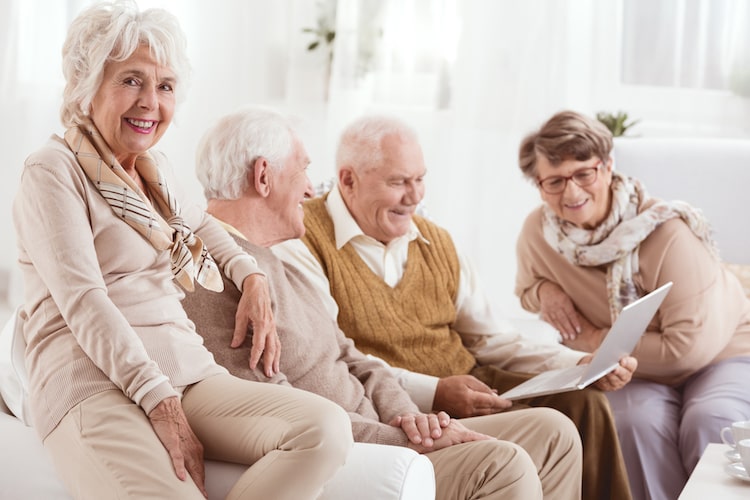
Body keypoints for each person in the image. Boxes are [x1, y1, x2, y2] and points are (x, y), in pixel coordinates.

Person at [11, 3, 352, 499]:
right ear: (87, 87)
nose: (150, 101)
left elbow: (202, 225)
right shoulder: (52, 171)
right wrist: (158, 404)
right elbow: (85, 302)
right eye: (131, 81)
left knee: (324, 429)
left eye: (165, 86)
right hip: (91, 380)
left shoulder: (156, 171)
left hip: (184, 369)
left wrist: (251, 276)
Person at [181, 106, 584, 500]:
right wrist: (400, 438)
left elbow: (354, 358)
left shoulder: (273, 262)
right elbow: (280, 416)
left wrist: (413, 419)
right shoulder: (216, 279)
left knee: (554, 432)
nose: (310, 188)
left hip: (389, 429)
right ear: (263, 176)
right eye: (303, 169)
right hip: (362, 453)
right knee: (501, 464)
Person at [272, 114, 636, 500]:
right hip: (400, 405)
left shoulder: (436, 241)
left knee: (586, 403)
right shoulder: (302, 241)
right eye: (398, 182)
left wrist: (576, 364)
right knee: (555, 427)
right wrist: (435, 392)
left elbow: (493, 339)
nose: (415, 196)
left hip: (470, 384)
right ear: (348, 180)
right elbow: (334, 359)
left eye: (419, 179)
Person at [513, 109, 750, 499]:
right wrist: (544, 291)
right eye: (554, 181)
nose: (571, 193)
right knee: (632, 423)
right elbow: (525, 288)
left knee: (712, 419)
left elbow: (686, 351)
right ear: (539, 185)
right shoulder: (539, 234)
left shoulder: (667, 233)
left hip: (720, 354)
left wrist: (592, 340)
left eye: (583, 173)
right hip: (633, 369)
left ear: (607, 167)